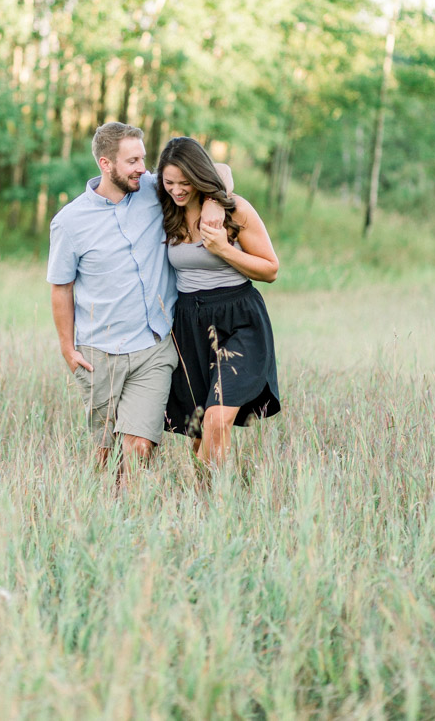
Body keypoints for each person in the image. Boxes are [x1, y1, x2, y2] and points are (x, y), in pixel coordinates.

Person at [47, 122, 226, 481]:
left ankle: (135, 518)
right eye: (132, 160)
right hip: (99, 352)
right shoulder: (69, 222)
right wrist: (68, 349)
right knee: (103, 453)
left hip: (154, 347)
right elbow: (60, 287)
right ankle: (104, 516)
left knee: (140, 449)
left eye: (143, 158)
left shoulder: (152, 188)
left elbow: (218, 172)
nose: (142, 168)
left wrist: (212, 202)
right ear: (105, 163)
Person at [157, 137, 281, 466]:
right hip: (188, 324)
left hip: (238, 320)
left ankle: (219, 503)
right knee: (201, 432)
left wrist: (224, 250)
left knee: (216, 419)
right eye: (169, 182)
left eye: (185, 182)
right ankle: (205, 499)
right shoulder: (166, 209)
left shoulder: (233, 209)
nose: (177, 190)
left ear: (199, 176)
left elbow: (271, 270)